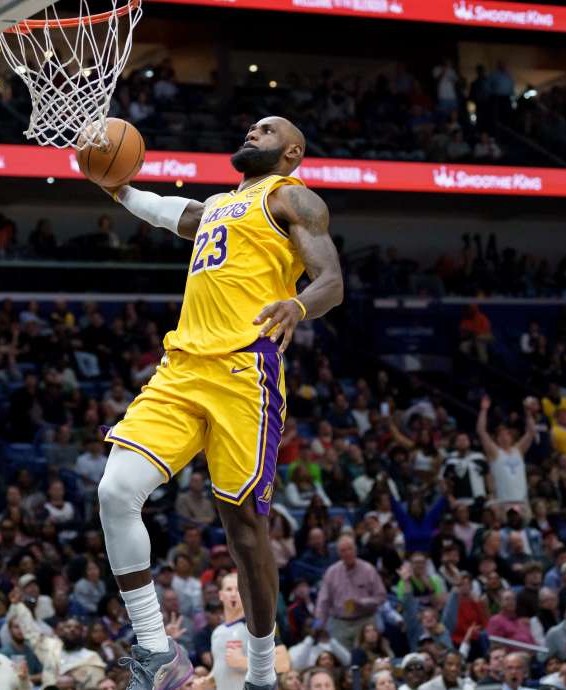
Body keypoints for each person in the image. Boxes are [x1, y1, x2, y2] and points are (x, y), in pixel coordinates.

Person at [95, 115, 343, 690]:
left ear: (293, 152)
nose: (253, 132)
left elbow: (331, 280)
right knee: (115, 492)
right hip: (182, 369)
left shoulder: (292, 199)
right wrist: (119, 188)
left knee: (244, 531)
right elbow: (172, 213)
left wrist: (298, 306)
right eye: (252, 127)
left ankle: (261, 674)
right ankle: (157, 649)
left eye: (268, 130)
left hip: (243, 373)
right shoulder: (219, 205)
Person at [212, 573, 291, 690]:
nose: (233, 594)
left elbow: (284, 663)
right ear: (221, 595)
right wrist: (208, 681)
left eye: (239, 589)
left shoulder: (257, 627)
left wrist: (242, 662)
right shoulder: (217, 632)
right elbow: (220, 669)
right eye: (229, 589)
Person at [314, 536, 386, 650]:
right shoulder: (331, 572)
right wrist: (318, 624)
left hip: (365, 621)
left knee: (366, 655)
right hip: (340, 623)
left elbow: (381, 596)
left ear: (355, 550)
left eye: (350, 549)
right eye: (343, 550)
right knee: (341, 657)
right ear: (339, 553)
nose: (347, 553)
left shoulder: (368, 570)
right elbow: (323, 602)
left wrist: (362, 602)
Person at [476, 396, 535, 514]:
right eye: (501, 435)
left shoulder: (518, 450)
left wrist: (528, 414)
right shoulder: (495, 452)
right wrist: (484, 410)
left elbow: (531, 432)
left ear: (511, 437)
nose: (504, 437)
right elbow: (481, 432)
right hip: (503, 502)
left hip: (522, 501)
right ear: (497, 439)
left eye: (507, 434)